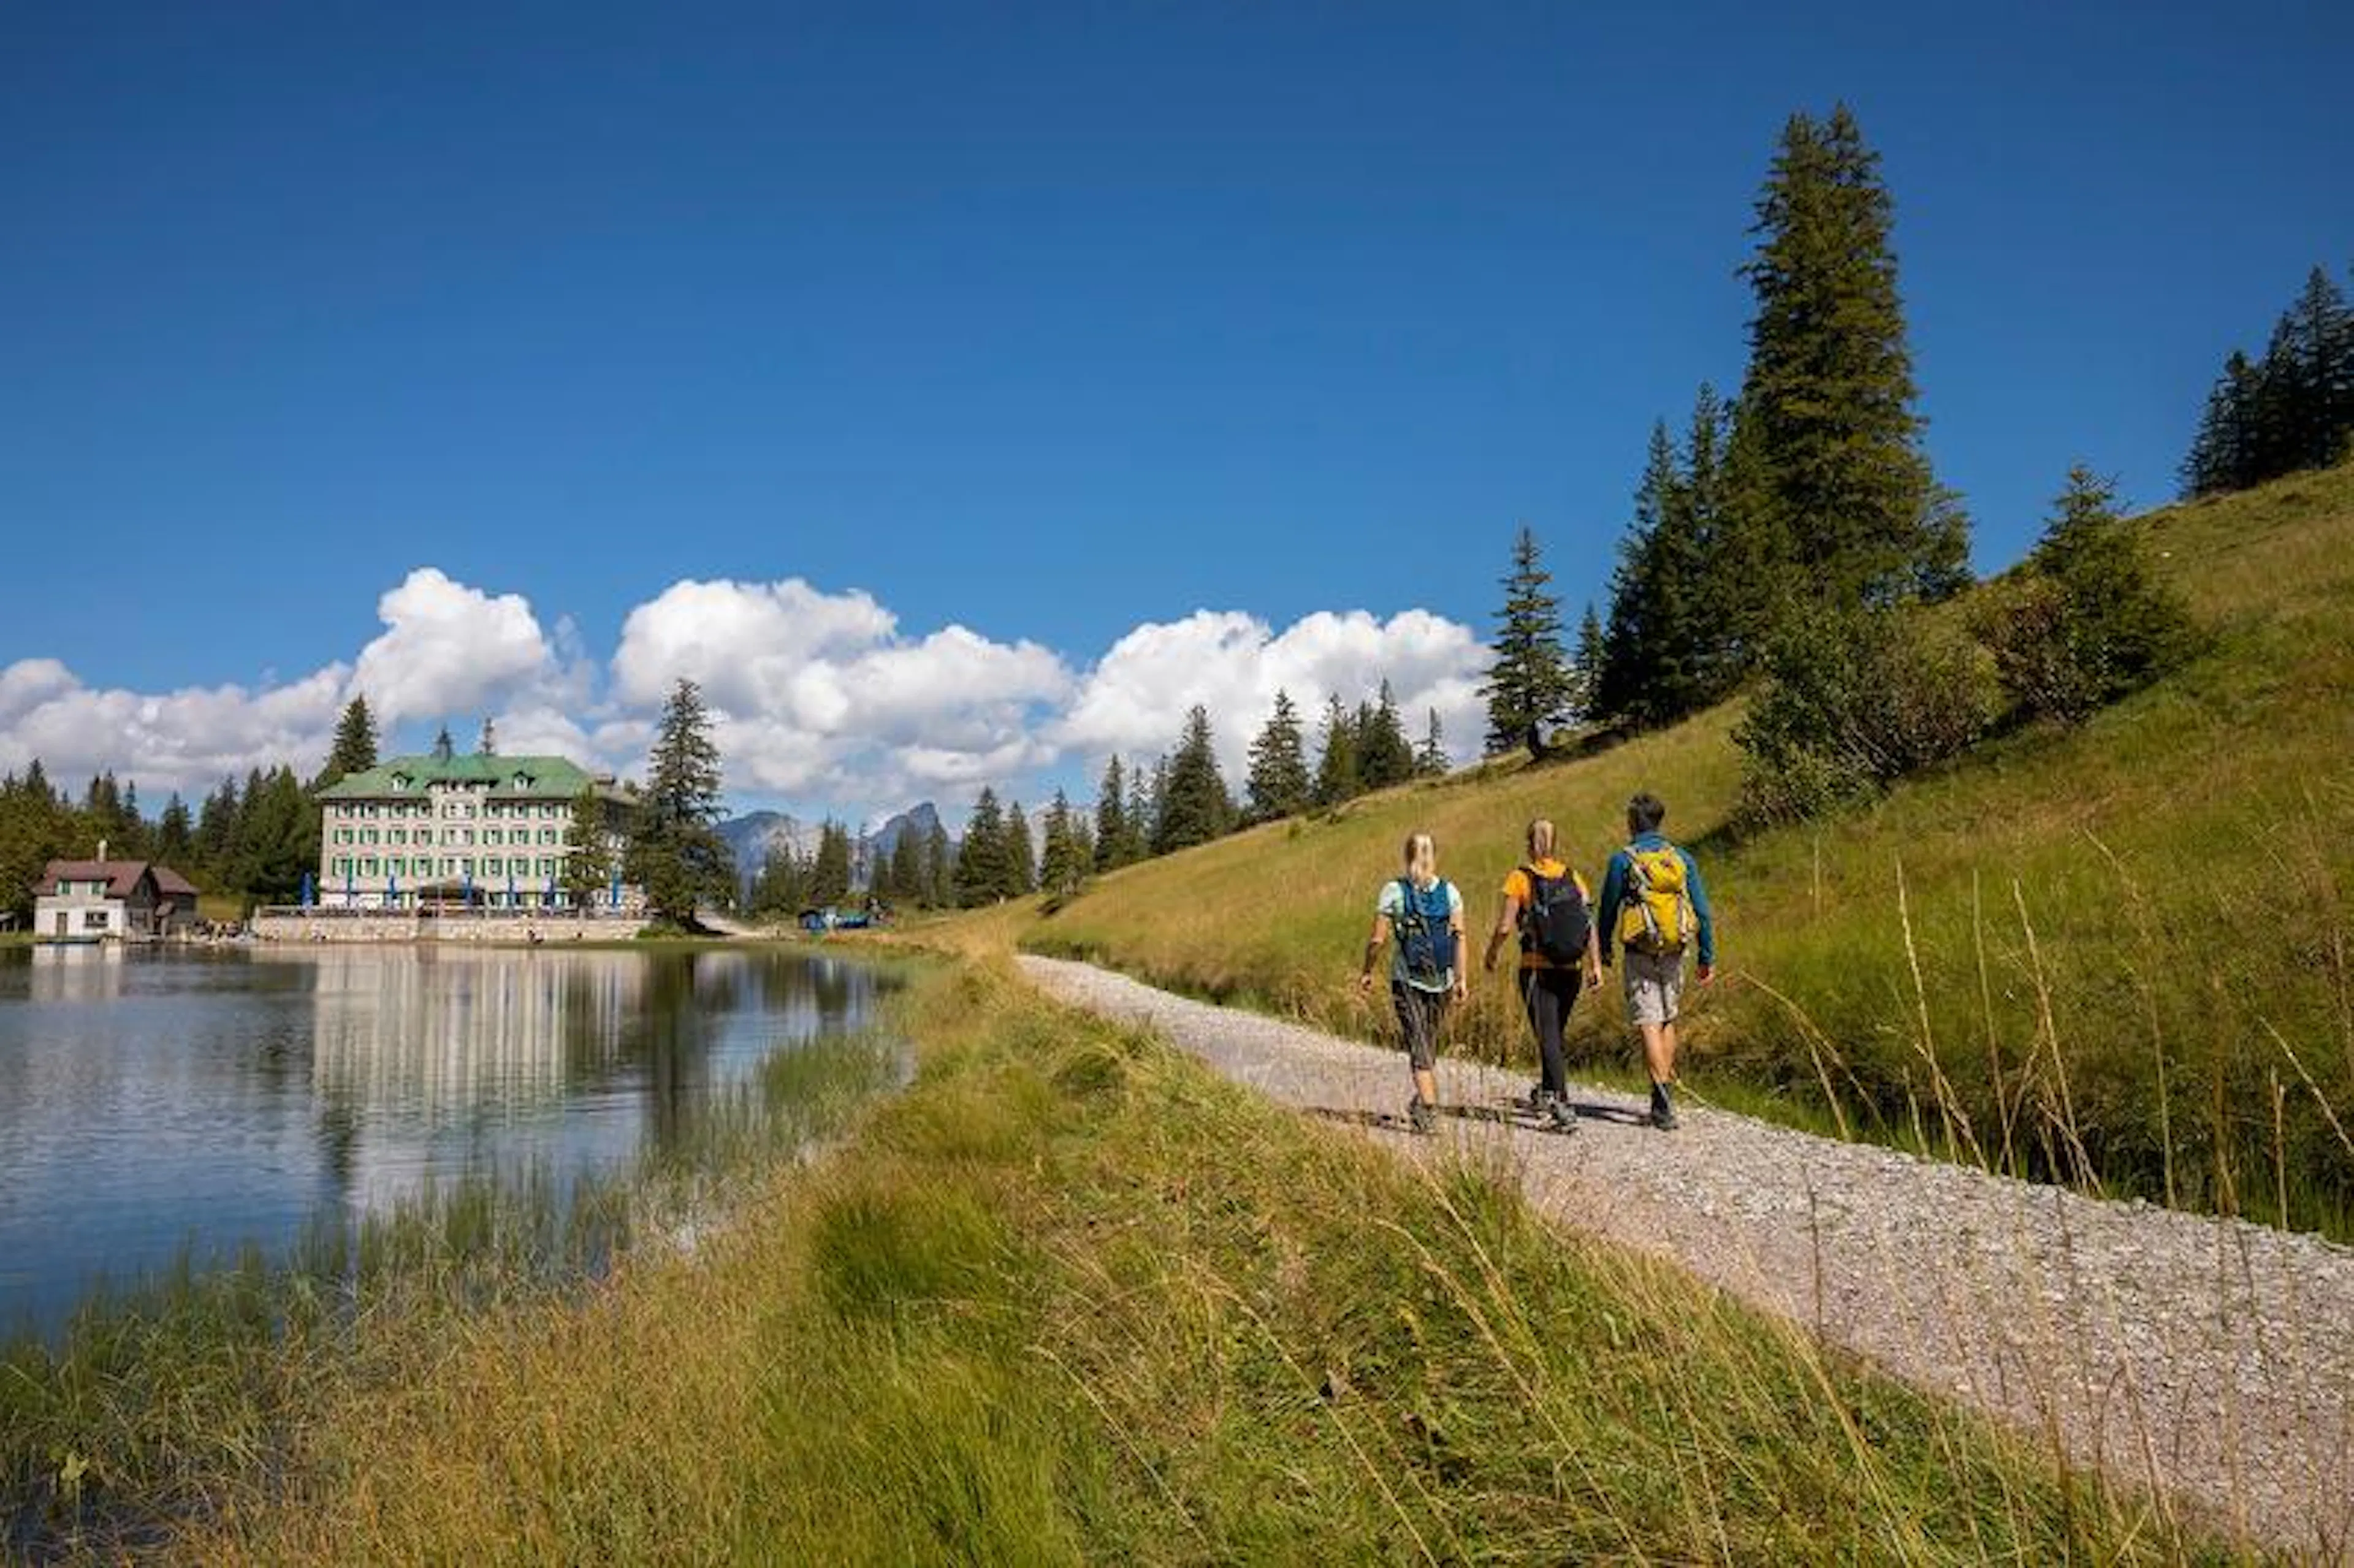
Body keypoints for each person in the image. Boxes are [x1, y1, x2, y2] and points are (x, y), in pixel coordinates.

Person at [1596, 791, 1715, 1131]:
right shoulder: (1681, 859)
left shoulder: (1623, 860)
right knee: (1668, 1018)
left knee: (1648, 1020)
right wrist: (1707, 955)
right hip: (1677, 948)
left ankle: (1662, 1101)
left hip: (1640, 951)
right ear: (1660, 820)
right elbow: (1703, 911)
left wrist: (1602, 948)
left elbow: (1608, 910)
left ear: (1632, 822)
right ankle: (1661, 1095)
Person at [1482, 818, 1602, 1133]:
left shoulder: (1519, 878)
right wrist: (1596, 966)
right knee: (1554, 1034)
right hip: (1572, 971)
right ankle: (1547, 1091)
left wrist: (1492, 953)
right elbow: (1588, 923)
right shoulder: (1573, 877)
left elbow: (1506, 926)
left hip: (1537, 969)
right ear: (1555, 844)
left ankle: (1562, 1104)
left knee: (1548, 1036)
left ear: (1528, 844)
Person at [1359, 830, 1468, 1133]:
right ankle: (1424, 1101)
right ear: (1434, 856)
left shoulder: (1393, 891)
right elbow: (1460, 938)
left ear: (1406, 856)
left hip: (1407, 980)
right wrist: (1461, 979)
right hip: (1443, 979)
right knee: (1427, 1043)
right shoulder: (1450, 892)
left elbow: (1377, 940)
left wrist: (1367, 971)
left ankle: (1428, 1109)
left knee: (1421, 1046)